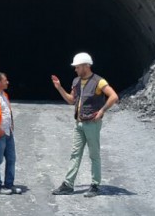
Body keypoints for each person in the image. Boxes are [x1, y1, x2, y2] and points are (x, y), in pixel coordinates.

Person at [50, 52, 119, 197]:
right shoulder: (76, 82)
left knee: (94, 155)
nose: (75, 69)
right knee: (75, 154)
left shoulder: (99, 81)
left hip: (92, 124)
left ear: (86, 66)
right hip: (79, 123)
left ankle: (95, 185)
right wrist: (59, 88)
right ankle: (68, 184)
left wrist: (102, 111)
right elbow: (71, 100)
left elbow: (114, 96)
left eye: (77, 67)